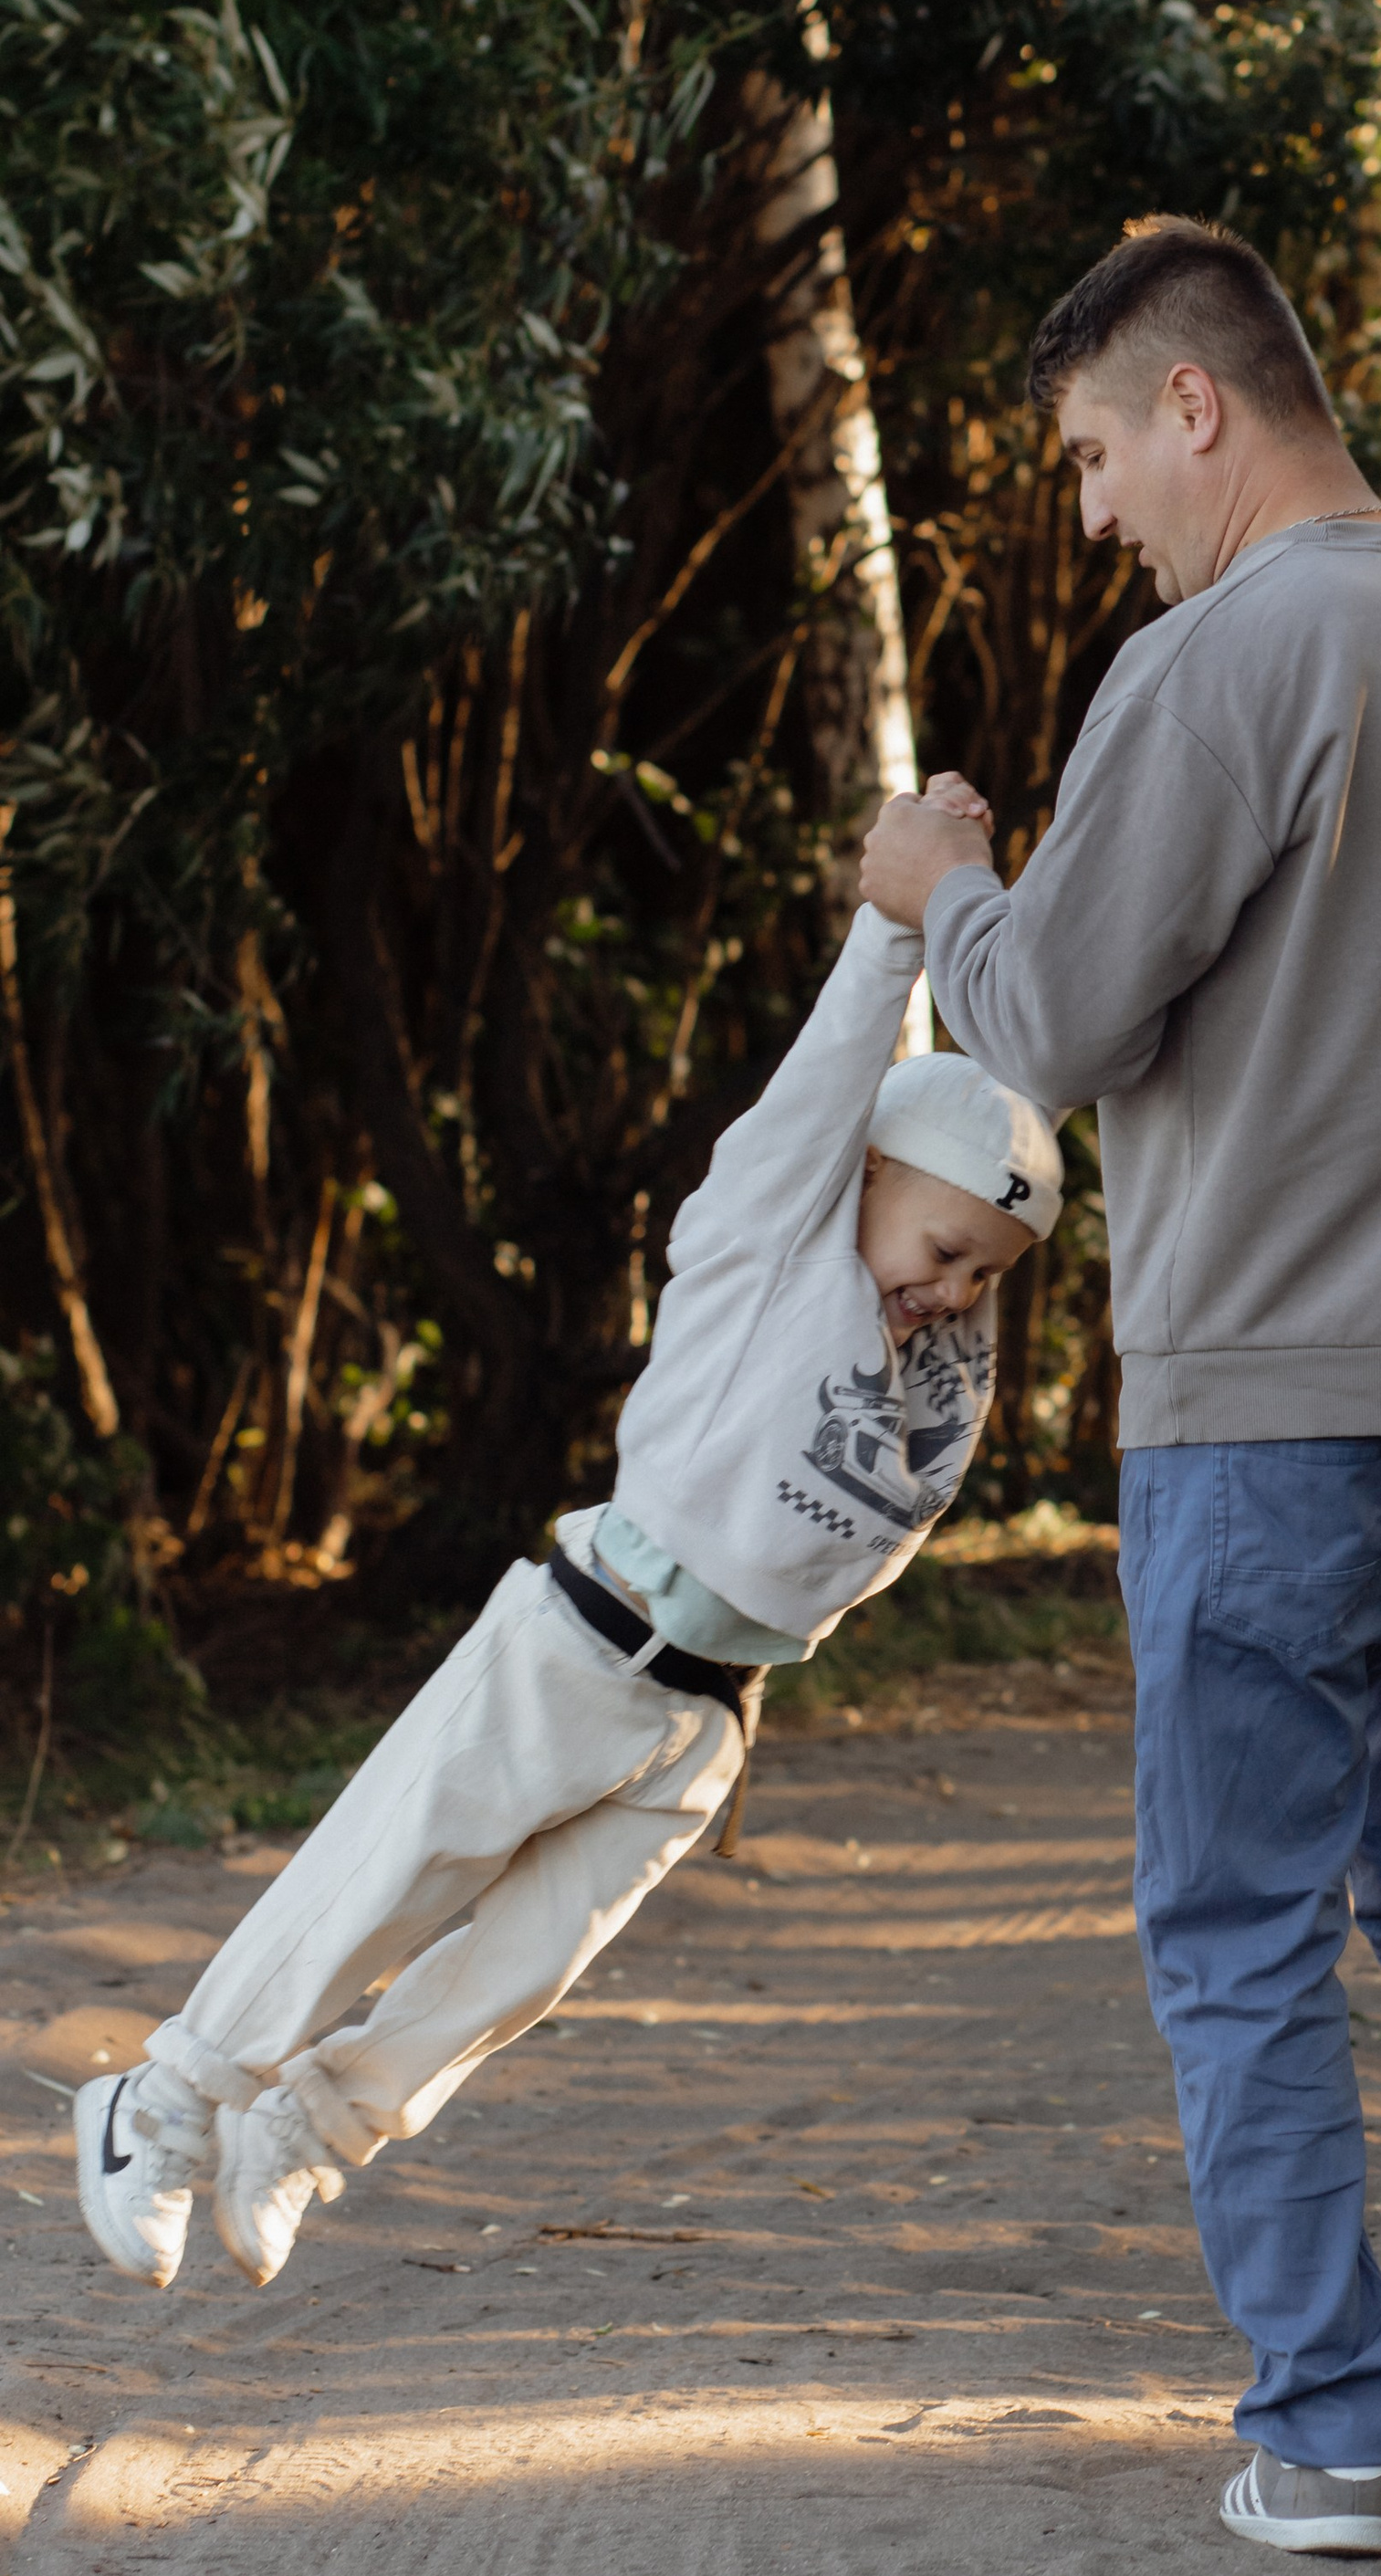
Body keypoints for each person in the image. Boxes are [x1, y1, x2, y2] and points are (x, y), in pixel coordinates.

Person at [862, 218, 1381, 2561]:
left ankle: (1326, 2428)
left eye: (1100, 452)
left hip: (1270, 1395)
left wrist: (940, 883)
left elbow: (1046, 1026)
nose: (1098, 509)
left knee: (1231, 1914)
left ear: (1197, 404)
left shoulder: (1231, 655)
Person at [77, 790, 1058, 2298]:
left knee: (514, 1973)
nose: (953, 1294)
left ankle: (307, 2136)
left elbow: (1022, 1120)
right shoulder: (766, 1245)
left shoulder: (940, 1350)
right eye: (942, 1254)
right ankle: (162, 2109)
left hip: (707, 1718)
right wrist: (901, 919)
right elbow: (830, 1083)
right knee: (385, 1880)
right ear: (860, 1184)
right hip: (587, 1635)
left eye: (988, 1277)